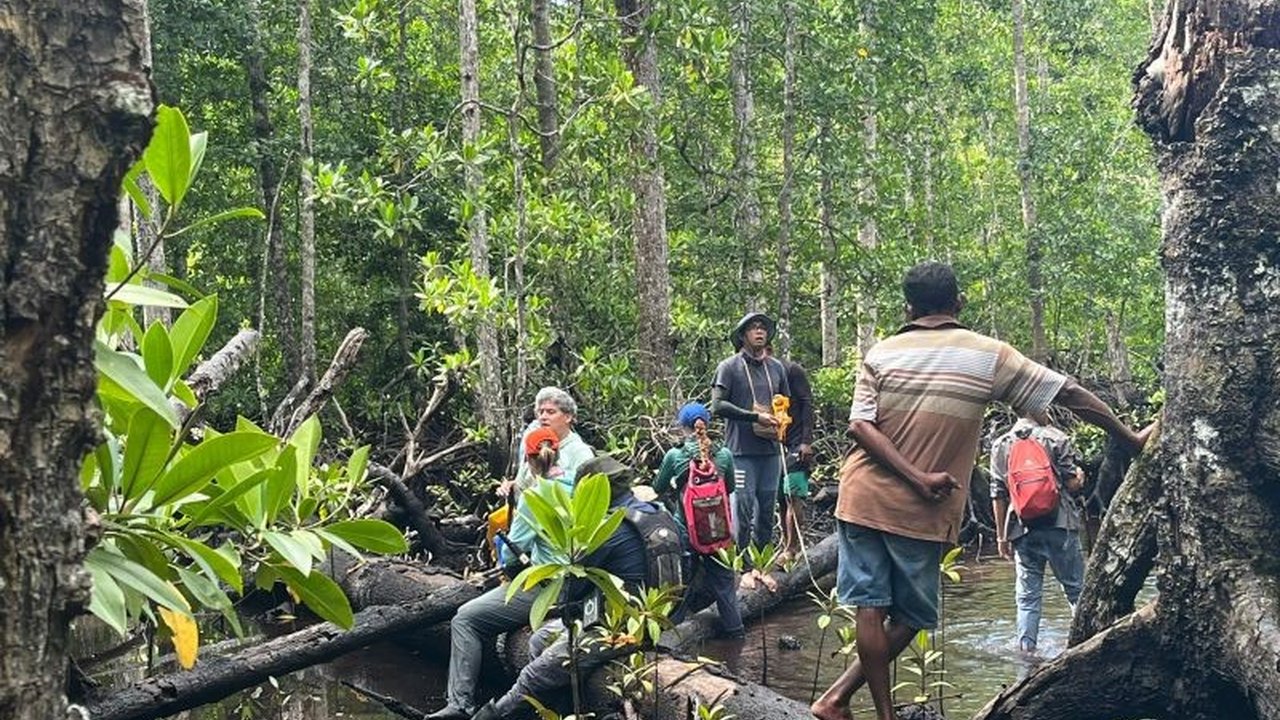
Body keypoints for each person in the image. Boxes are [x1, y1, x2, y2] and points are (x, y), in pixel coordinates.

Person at [811, 261, 1151, 720]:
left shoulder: (881, 352)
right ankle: (841, 702)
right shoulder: (987, 354)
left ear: (908, 308)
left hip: (860, 496)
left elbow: (859, 425)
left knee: (869, 607)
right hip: (919, 508)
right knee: (911, 617)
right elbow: (1067, 392)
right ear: (959, 303)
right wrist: (1127, 437)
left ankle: (844, 704)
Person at [470, 455, 652, 720]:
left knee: (537, 672)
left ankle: (493, 716)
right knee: (540, 640)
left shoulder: (610, 528)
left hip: (622, 628)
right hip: (653, 617)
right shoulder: (654, 512)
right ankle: (560, 713)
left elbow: (574, 589)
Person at [429, 428, 575, 720]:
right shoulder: (578, 487)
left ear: (529, 460)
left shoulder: (536, 495)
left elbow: (512, 551)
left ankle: (460, 704)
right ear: (557, 453)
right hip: (579, 586)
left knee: (466, 619)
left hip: (546, 588)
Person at [990, 413, 1087, 654]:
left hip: (1022, 529)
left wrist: (1001, 536)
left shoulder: (1001, 444)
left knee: (1028, 598)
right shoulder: (1056, 438)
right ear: (1038, 408)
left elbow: (998, 493)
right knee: (1076, 590)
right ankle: (1084, 646)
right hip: (1060, 525)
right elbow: (1071, 484)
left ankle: (1026, 653)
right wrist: (1081, 477)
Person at [654, 402, 745, 638]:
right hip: (718, 531)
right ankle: (736, 638)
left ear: (682, 427)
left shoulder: (675, 455)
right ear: (708, 424)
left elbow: (658, 488)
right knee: (726, 589)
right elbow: (731, 487)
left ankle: (670, 641)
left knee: (680, 587)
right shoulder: (724, 455)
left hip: (685, 531)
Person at [711, 312, 790, 575]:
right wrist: (754, 416)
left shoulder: (777, 368)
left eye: (763, 328)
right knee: (742, 512)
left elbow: (786, 401)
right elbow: (717, 405)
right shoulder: (729, 367)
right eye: (754, 328)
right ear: (743, 335)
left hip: (770, 452)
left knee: (767, 512)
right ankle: (742, 569)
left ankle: (762, 565)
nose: (760, 332)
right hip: (741, 452)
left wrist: (781, 420)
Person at [500, 387, 594, 498]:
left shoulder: (580, 452)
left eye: (550, 412)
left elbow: (586, 494)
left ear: (568, 417)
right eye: (540, 412)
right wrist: (510, 487)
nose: (543, 417)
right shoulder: (535, 444)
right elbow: (523, 484)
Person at [777, 355, 815, 562]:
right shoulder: (759, 375)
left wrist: (806, 441)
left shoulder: (791, 370)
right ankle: (786, 545)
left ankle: (793, 547)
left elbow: (808, 404)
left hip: (796, 443)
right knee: (780, 498)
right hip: (774, 445)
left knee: (793, 494)